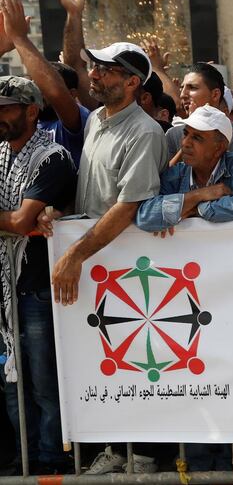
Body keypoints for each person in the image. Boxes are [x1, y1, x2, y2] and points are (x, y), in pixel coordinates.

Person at [43, 42, 167, 474]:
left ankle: (145, 455)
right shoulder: (96, 118)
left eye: (106, 69)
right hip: (96, 266)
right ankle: (117, 448)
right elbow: (92, 193)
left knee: (141, 361)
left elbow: (127, 206)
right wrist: (60, 216)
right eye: (94, 66)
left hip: (134, 271)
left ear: (132, 82)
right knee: (106, 362)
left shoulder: (145, 132)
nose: (93, 73)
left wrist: (75, 252)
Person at [0, 77, 76, 475]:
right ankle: (24, 459)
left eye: (6, 108)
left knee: (44, 380)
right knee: (12, 382)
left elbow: (20, 220)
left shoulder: (53, 157)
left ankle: (51, 461)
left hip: (36, 287)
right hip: (3, 289)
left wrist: (15, 222)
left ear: (31, 111)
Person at [135, 104, 233, 233]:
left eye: (197, 138)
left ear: (219, 148)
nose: (185, 143)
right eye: (185, 134)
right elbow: (145, 216)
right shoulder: (176, 173)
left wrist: (195, 209)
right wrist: (199, 195)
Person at [0, 0, 88, 167]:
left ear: (71, 94)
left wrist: (20, 38)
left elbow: (56, 92)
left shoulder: (74, 124)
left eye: (42, 85)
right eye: (33, 81)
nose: (35, 88)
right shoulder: (19, 126)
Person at [166, 63, 233, 162]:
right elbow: (168, 175)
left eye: (192, 88)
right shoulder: (173, 135)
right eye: (182, 88)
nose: (183, 95)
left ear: (215, 94)